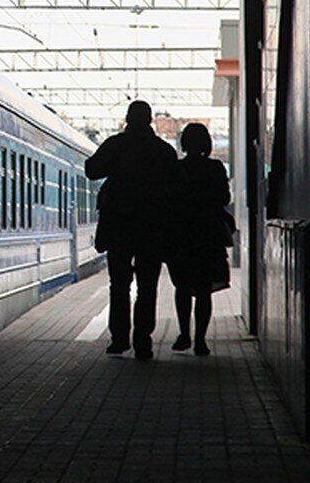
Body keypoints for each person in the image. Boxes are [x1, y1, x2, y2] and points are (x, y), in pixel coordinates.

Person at [85, 100, 177, 360]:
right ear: (149, 120)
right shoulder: (163, 151)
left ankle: (119, 339)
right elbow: (175, 187)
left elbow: (92, 170)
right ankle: (143, 341)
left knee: (120, 285)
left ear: (128, 119)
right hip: (152, 228)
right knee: (148, 286)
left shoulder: (116, 145)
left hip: (119, 226)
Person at [167, 122, 235, 357]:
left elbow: (169, 201)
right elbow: (224, 197)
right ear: (206, 143)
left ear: (184, 143)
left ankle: (184, 334)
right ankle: (200, 341)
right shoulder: (216, 168)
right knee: (204, 290)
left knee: (182, 287)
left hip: (181, 235)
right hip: (208, 235)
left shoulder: (175, 169)